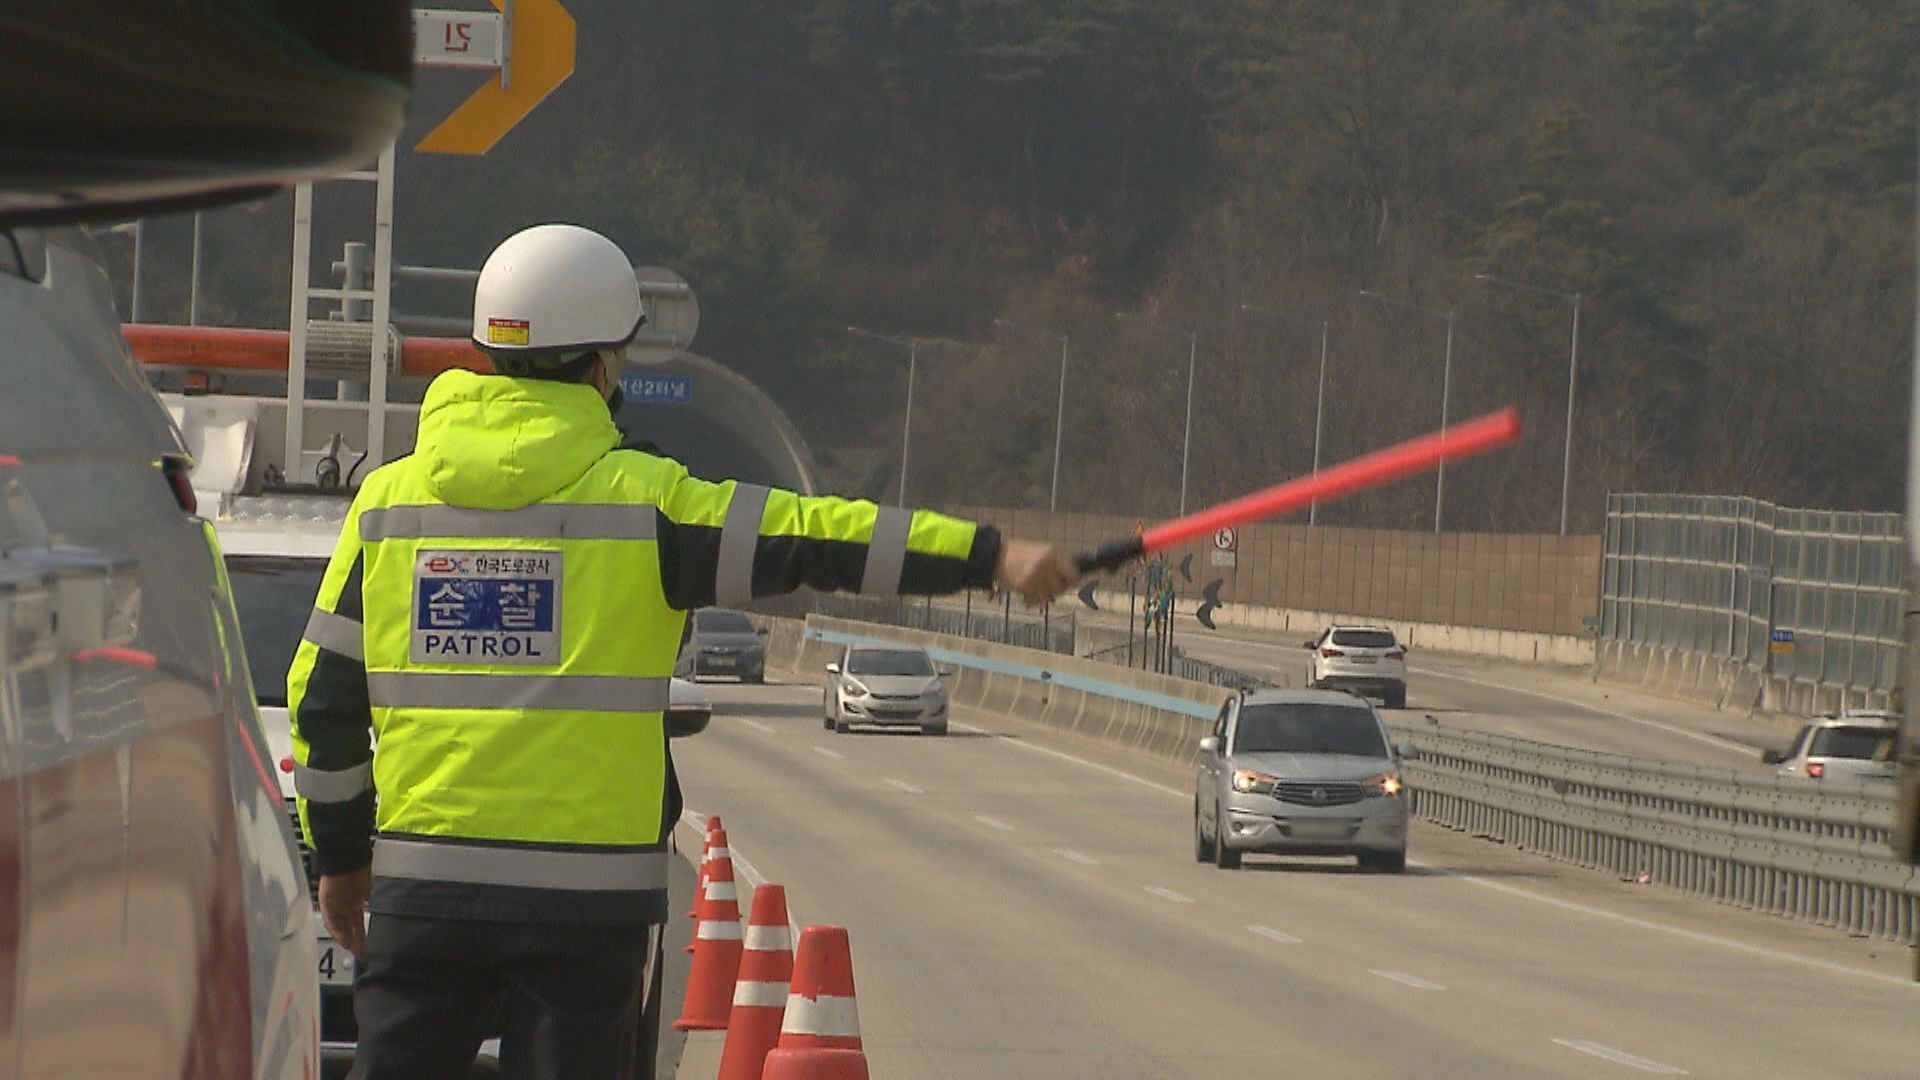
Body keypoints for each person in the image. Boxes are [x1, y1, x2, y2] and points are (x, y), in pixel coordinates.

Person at [284, 223, 1079, 1080]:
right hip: (587, 909)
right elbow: (819, 538)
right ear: (602, 367)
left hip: (423, 892)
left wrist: (344, 859)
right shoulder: (652, 505)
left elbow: (320, 698)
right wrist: (989, 556)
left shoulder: (389, 504)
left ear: (481, 354)